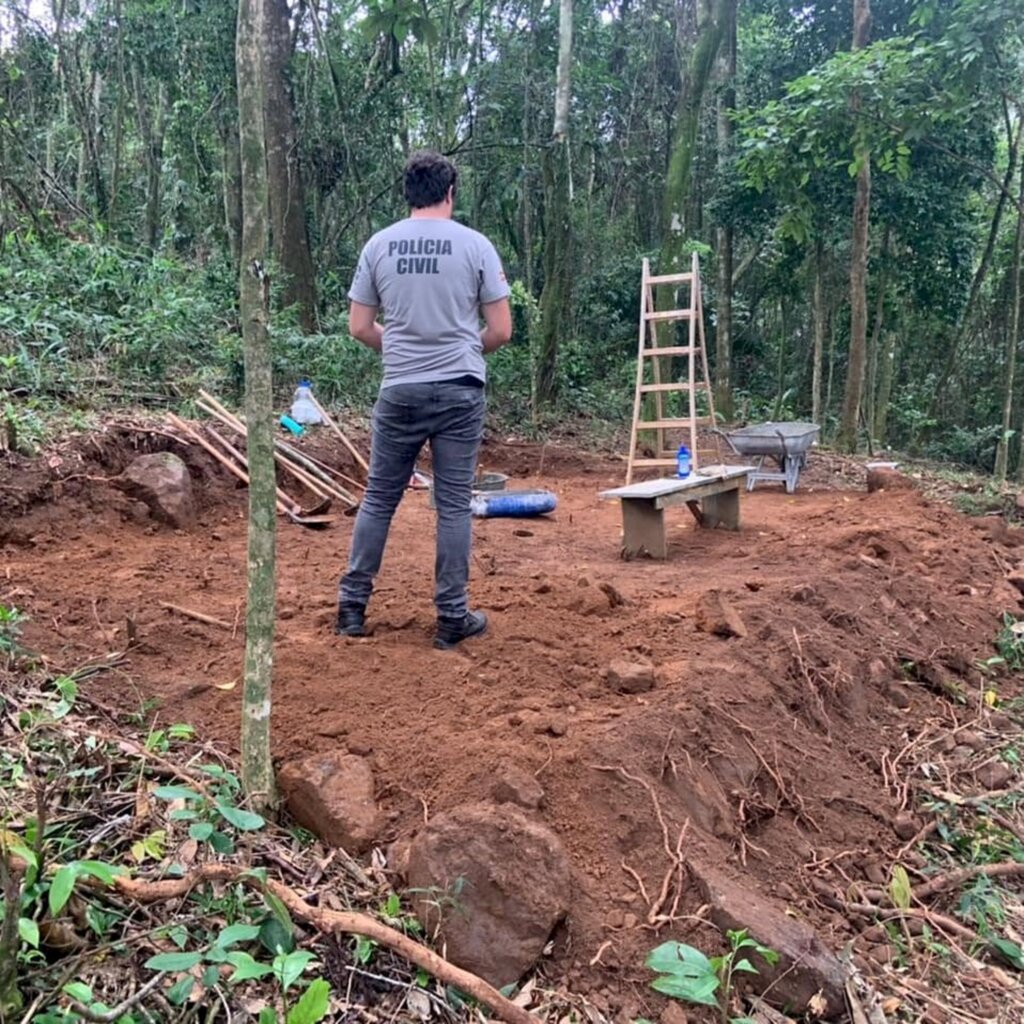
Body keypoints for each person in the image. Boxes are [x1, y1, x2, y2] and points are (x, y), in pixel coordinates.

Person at [337, 151, 512, 649]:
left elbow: (358, 327)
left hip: (400, 390)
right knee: (453, 505)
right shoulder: (476, 246)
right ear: (450, 192)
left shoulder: (379, 245)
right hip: (460, 389)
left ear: (407, 194)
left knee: (379, 497)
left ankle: (352, 607)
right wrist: (459, 347)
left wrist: (399, 345)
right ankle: (451, 618)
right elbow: (500, 330)